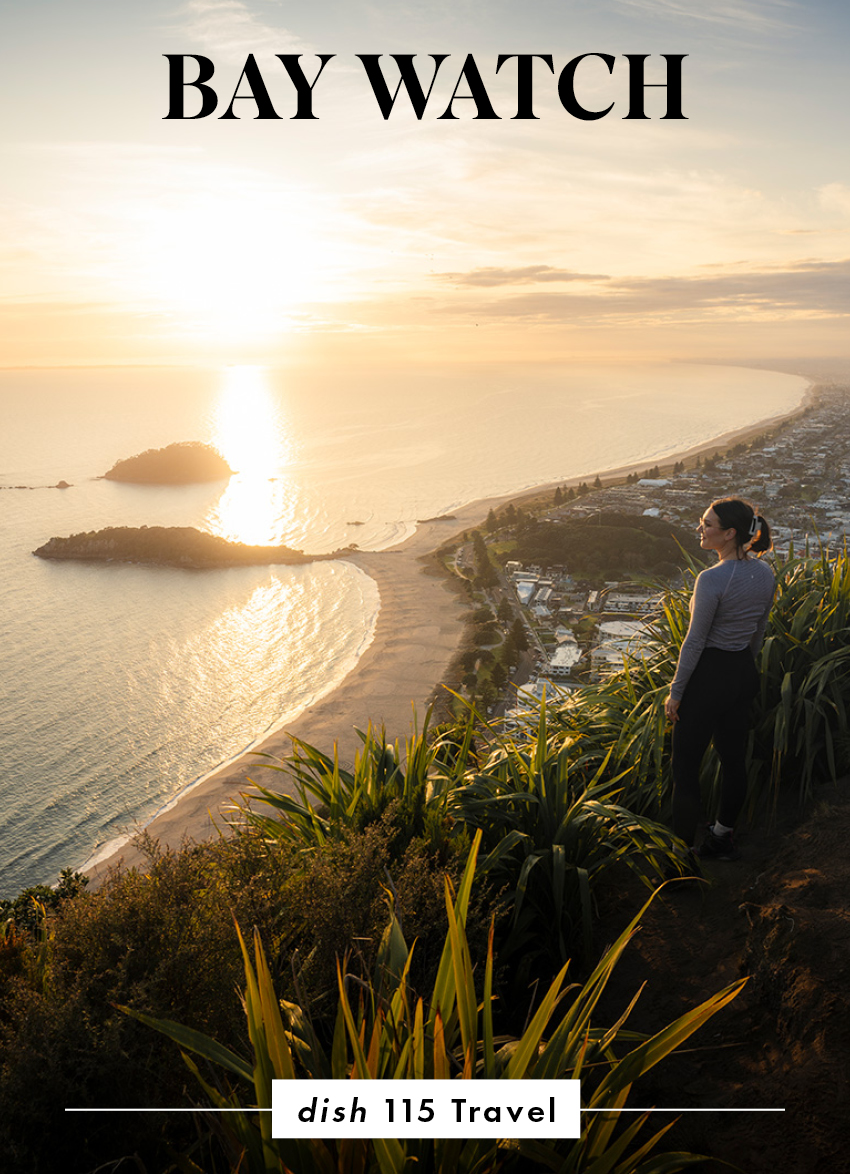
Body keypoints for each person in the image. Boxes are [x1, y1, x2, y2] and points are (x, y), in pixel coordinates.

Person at [664, 497, 775, 864]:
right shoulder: (765, 573)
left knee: (685, 769)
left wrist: (676, 693)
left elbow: (695, 641)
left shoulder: (711, 579)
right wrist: (743, 667)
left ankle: (680, 862)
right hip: (742, 672)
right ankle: (722, 838)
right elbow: (757, 631)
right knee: (733, 760)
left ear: (729, 534)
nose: (700, 529)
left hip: (708, 677)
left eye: (707, 524)